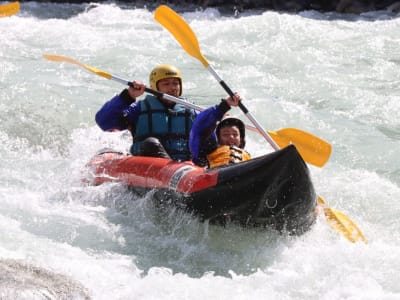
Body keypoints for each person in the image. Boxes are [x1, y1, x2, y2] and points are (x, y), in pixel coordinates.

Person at [95, 64, 239, 162]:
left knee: (210, 138)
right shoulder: (139, 109)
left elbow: (207, 126)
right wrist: (128, 96)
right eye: (166, 84)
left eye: (175, 83)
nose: (172, 88)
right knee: (151, 144)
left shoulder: (191, 110)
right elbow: (104, 122)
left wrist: (224, 109)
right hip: (150, 166)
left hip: (188, 168)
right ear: (155, 87)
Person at [189, 94, 251, 168]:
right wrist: (223, 106)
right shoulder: (205, 153)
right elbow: (200, 126)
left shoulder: (246, 156)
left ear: (241, 139)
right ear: (218, 138)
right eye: (226, 134)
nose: (231, 137)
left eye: (235, 134)